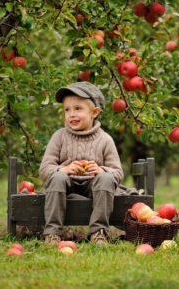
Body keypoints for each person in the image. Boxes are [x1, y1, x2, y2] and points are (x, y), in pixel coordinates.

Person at [39, 81, 123, 246]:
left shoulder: (105, 139)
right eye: (67, 110)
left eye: (78, 109)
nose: (71, 114)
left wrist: (101, 170)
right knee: (57, 178)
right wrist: (63, 169)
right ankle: (52, 233)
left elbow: (118, 173)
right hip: (66, 185)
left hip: (93, 186)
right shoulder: (59, 136)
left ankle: (98, 233)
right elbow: (44, 170)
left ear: (94, 112)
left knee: (106, 179)